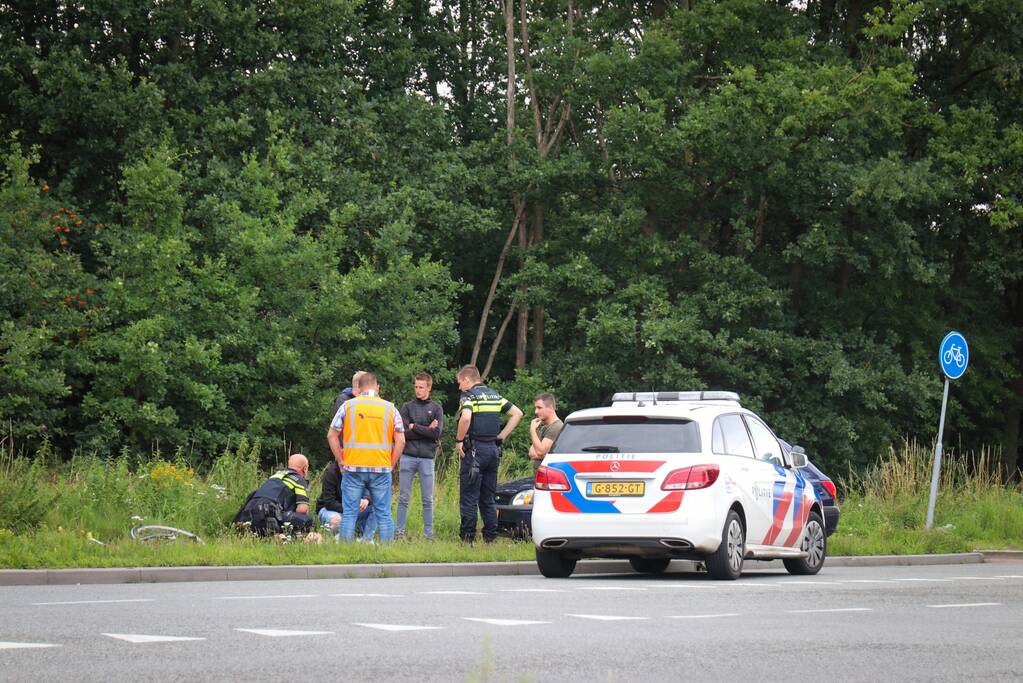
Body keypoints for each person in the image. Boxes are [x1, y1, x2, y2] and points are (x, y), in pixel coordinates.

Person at [326, 372, 405, 542]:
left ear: (359, 388)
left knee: (349, 514)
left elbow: (331, 435)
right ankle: (386, 554)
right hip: (381, 468)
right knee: (384, 514)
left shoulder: (348, 406)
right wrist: (390, 463)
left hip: (353, 467)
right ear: (377, 387)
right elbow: (401, 441)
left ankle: (346, 555)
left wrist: (340, 460)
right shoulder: (390, 408)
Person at [454, 365, 523, 543]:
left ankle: (467, 538)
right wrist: (501, 436)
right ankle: (490, 538)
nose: (459, 387)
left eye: (460, 382)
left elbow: (466, 417)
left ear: (467, 380)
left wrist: (459, 440)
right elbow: (517, 414)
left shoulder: (468, 396)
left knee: (469, 496)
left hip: (475, 451)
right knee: (488, 497)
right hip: (493, 451)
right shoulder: (495, 395)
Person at [396, 372, 444, 539]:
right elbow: (402, 433)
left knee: (427, 499)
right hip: (407, 456)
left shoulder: (436, 408)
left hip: (427, 458)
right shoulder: (407, 407)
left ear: (429, 388)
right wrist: (425, 429)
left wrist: (414, 426)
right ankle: (399, 532)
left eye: (421, 387)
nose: (418, 390)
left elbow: (436, 434)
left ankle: (428, 535)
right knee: (403, 497)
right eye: (416, 387)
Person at [233, 453, 314, 536]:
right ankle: (286, 538)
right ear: (305, 468)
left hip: (247, 516)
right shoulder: (299, 480)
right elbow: (302, 509)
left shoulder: (275, 476)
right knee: (307, 520)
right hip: (269, 517)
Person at [315, 457, 375, 540]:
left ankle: (366, 540)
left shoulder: (359, 471)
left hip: (352, 510)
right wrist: (351, 508)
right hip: (330, 510)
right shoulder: (331, 473)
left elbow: (374, 492)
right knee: (337, 520)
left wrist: (367, 499)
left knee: (376, 508)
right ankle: (337, 541)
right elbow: (329, 503)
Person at [528, 393, 564, 472]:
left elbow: (540, 452)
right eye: (536, 408)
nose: (536, 412)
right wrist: (539, 452)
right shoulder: (545, 427)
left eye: (539, 408)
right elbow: (531, 453)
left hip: (547, 478)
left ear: (550, 408)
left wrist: (532, 430)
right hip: (540, 477)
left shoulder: (556, 427)